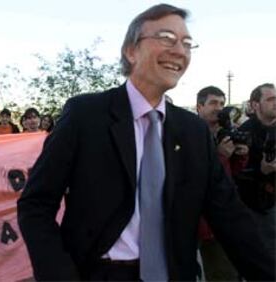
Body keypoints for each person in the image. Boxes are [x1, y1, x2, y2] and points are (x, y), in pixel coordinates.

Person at [17, 4, 274, 281]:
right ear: (131, 50)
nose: (180, 51)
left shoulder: (193, 132)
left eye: (187, 43)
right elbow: (36, 204)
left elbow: (230, 217)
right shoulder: (86, 116)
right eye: (167, 38)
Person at [196, 86, 249, 281]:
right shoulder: (188, 133)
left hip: (216, 220)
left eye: (221, 103)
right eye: (213, 103)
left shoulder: (224, 133)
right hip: (191, 217)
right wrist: (221, 156)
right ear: (199, 106)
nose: (219, 108)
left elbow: (230, 175)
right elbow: (194, 176)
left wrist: (240, 157)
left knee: (222, 273)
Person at [236, 83, 276, 256]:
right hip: (257, 208)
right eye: (270, 99)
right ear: (255, 105)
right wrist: (262, 172)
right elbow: (235, 174)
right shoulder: (243, 133)